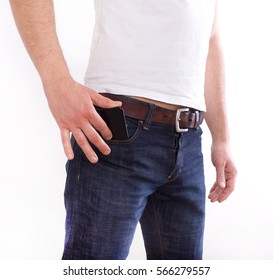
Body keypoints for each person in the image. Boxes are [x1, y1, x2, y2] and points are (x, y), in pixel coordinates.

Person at [9, 0, 237, 260]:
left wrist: (222, 139)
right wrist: (56, 82)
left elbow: (210, 39)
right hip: (118, 133)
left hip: (188, 144)